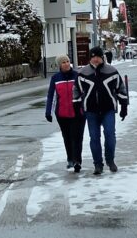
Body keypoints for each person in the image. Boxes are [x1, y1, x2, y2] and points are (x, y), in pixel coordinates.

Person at [76, 46, 129, 175]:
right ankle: (98, 164)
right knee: (94, 138)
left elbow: (121, 89)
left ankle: (110, 160)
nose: (96, 59)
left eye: (98, 57)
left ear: (102, 57)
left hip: (108, 109)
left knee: (110, 135)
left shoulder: (112, 71)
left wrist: (124, 106)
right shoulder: (83, 73)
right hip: (91, 111)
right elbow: (76, 90)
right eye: (93, 57)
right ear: (90, 58)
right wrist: (77, 105)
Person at [45, 54, 85, 172]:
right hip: (62, 113)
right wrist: (48, 112)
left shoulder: (77, 76)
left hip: (78, 112)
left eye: (68, 61)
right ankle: (70, 159)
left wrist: (85, 108)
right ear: (59, 65)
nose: (67, 64)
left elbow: (85, 93)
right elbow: (51, 96)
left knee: (76, 137)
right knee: (67, 137)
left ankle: (77, 161)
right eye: (63, 62)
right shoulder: (56, 78)